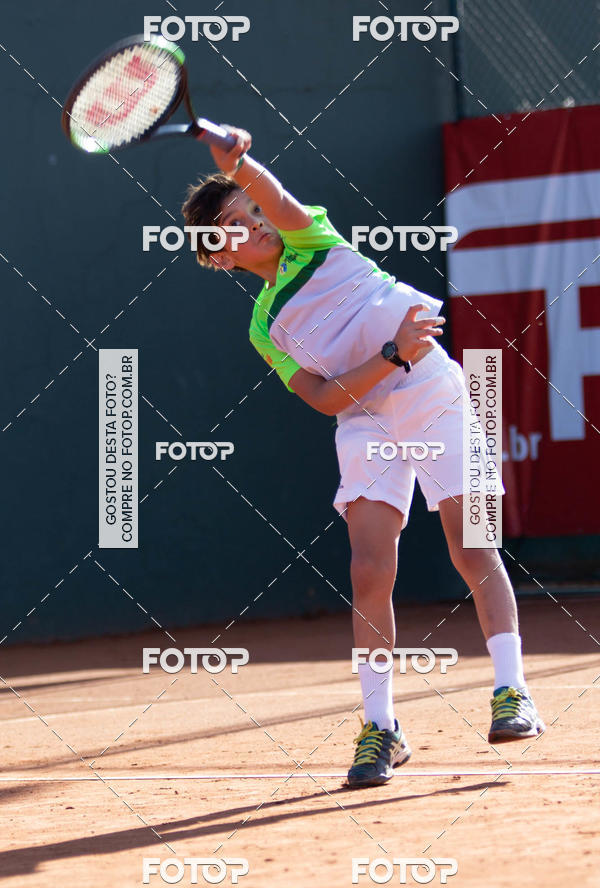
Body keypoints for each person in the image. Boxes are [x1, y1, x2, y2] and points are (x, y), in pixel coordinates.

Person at [181, 127, 545, 790]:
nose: (255, 222)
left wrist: (238, 162)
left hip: (432, 392)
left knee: (471, 545)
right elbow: (322, 396)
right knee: (370, 566)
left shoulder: (311, 239)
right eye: (235, 224)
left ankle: (512, 690)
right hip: (365, 417)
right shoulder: (266, 327)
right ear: (220, 256)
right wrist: (390, 354)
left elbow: (279, 195)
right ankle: (382, 727)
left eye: (252, 211)